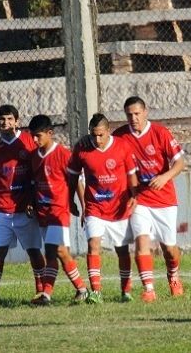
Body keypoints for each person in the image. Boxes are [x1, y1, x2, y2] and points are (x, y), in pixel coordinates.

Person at [113, 96, 185, 301]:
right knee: (141, 240)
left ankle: (173, 276)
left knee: (169, 249)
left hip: (165, 200)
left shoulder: (160, 133)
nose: (133, 118)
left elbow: (180, 163)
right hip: (140, 198)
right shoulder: (120, 136)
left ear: (146, 112)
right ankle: (149, 289)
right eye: (129, 115)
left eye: (137, 113)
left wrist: (165, 177)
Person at [0, 105, 46, 305]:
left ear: (17, 121)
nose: (5, 123)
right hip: (2, 207)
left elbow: (37, 171)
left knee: (33, 250)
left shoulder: (28, 141)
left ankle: (41, 292)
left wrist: (33, 200)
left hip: (24, 207)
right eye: (1, 120)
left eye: (9, 119)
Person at [67, 113, 139, 304]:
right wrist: (70, 200)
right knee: (93, 245)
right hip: (94, 207)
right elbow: (73, 177)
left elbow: (132, 174)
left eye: (100, 135)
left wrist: (134, 195)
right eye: (93, 135)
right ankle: (96, 292)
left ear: (108, 131)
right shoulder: (82, 148)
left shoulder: (122, 146)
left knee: (122, 250)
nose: (96, 139)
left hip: (118, 207)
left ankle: (126, 291)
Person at [27, 114, 89, 305]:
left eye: (38, 136)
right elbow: (34, 183)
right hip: (43, 211)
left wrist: (83, 205)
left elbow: (76, 180)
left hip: (59, 210)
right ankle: (57, 293)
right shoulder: (34, 157)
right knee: (54, 253)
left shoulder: (63, 154)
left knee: (58, 250)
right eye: (33, 136)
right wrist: (31, 202)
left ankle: (78, 290)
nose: (35, 140)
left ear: (50, 133)